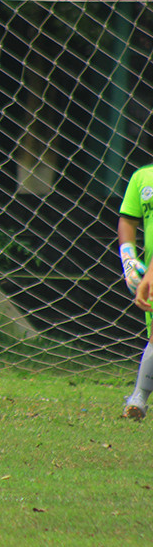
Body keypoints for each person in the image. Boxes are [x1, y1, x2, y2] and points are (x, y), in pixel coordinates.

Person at [119, 163, 153, 420]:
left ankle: (139, 395)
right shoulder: (142, 177)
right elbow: (127, 220)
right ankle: (139, 397)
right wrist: (129, 259)